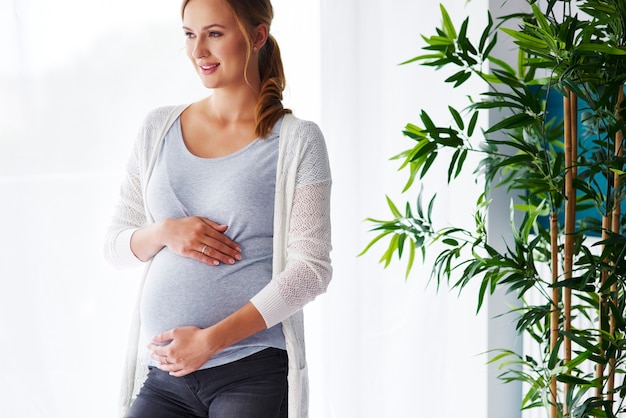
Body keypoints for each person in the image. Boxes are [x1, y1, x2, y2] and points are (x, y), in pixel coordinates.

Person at [104, 0, 332, 416]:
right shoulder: (158, 129)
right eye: (190, 35)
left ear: (257, 36)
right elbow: (116, 247)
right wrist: (164, 231)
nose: (198, 51)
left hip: (251, 371)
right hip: (165, 375)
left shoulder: (299, 142)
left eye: (214, 33)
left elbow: (311, 270)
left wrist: (210, 341)